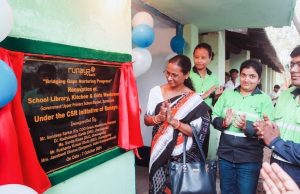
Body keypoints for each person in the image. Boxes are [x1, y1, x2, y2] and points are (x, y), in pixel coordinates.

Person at [144, 55, 212, 194]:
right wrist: (159, 117)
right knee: (158, 188)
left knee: (178, 189)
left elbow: (196, 132)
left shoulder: (193, 99)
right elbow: (147, 120)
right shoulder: (155, 91)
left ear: (186, 75)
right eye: (167, 73)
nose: (169, 78)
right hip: (159, 151)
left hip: (182, 157)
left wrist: (173, 121)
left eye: (174, 75)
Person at [212, 59, 274, 194]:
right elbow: (214, 116)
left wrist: (248, 126)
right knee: (226, 191)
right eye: (244, 75)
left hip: (249, 158)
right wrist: (223, 123)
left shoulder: (265, 100)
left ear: (259, 79)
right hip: (226, 155)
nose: (246, 79)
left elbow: (269, 129)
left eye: (252, 76)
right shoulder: (227, 95)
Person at [255, 45, 300, 187]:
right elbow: (274, 132)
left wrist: (275, 141)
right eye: (292, 65)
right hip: (276, 167)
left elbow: (275, 140)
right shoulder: (285, 94)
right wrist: (263, 131)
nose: (293, 70)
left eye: (299, 65)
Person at [189, 42, 223, 108]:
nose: (199, 60)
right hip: (190, 115)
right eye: (196, 57)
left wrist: (217, 96)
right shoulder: (187, 75)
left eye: (203, 58)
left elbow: (215, 103)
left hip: (207, 115)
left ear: (210, 58)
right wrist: (207, 93)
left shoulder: (214, 78)